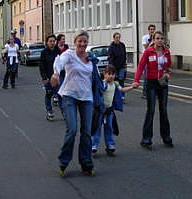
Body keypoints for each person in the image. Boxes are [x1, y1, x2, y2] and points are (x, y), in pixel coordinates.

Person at [51, 30, 104, 176]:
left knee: (86, 132)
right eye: (80, 41)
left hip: (87, 98)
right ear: (75, 42)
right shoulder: (69, 55)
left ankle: (86, 162)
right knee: (72, 130)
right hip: (70, 96)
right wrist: (56, 73)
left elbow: (97, 79)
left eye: (85, 41)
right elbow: (59, 62)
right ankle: (64, 161)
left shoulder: (91, 58)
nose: (82, 44)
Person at [133, 30, 173, 148]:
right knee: (151, 110)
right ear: (153, 40)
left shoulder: (166, 52)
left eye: (161, 38)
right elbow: (140, 66)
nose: (160, 41)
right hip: (151, 82)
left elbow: (169, 66)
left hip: (163, 83)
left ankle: (166, 137)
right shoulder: (148, 52)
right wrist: (136, 80)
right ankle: (146, 138)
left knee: (163, 110)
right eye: (158, 38)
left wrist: (168, 74)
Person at [91, 64, 135, 156]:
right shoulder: (103, 83)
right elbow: (97, 91)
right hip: (100, 111)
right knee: (97, 128)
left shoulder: (115, 84)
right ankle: (93, 145)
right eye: (109, 74)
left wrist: (132, 87)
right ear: (104, 74)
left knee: (109, 128)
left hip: (109, 111)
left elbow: (122, 90)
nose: (111, 76)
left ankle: (110, 145)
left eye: (113, 74)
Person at [39, 34, 62, 120]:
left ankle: (63, 111)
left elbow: (62, 62)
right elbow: (42, 66)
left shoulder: (58, 51)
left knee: (61, 94)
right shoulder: (44, 52)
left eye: (53, 41)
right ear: (47, 42)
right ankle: (49, 111)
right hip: (48, 77)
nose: (52, 43)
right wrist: (44, 77)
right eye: (50, 41)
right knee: (49, 94)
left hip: (58, 77)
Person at [108, 32, 127, 101]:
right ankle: (114, 96)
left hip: (121, 66)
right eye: (116, 37)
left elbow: (124, 55)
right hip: (114, 67)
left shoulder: (122, 45)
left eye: (119, 37)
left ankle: (122, 96)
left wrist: (124, 64)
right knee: (115, 82)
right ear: (114, 38)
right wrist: (111, 68)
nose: (118, 39)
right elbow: (110, 58)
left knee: (121, 80)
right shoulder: (111, 46)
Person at [53, 34, 69, 106]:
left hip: (65, 68)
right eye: (62, 39)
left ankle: (63, 95)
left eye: (64, 39)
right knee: (59, 82)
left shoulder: (66, 47)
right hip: (58, 68)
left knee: (65, 82)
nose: (64, 41)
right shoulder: (55, 47)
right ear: (59, 40)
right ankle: (56, 95)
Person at [141, 24, 156, 98]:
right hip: (146, 58)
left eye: (153, 29)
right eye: (151, 29)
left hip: (154, 58)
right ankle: (145, 92)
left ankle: (153, 92)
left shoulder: (156, 38)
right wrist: (149, 40)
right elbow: (145, 46)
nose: (152, 31)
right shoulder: (145, 37)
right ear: (148, 30)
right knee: (147, 76)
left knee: (154, 76)